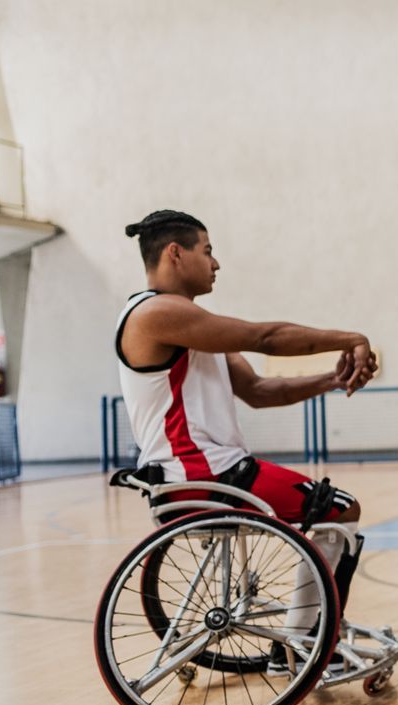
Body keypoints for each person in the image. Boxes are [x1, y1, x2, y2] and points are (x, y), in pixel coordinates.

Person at [114, 210, 379, 604]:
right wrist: (351, 338)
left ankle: (309, 633)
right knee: (340, 510)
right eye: (207, 251)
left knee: (335, 509)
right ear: (175, 254)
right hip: (204, 472)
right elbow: (266, 337)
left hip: (216, 471)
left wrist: (333, 380)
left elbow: (258, 390)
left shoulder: (192, 325)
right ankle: (311, 641)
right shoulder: (155, 313)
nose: (216, 263)